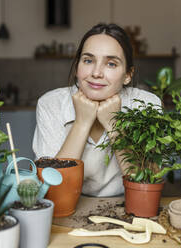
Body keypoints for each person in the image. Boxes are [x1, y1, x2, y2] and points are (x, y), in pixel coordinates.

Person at [32, 23, 161, 197]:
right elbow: (53, 192)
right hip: (69, 206)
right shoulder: (51, 104)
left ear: (128, 75)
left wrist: (115, 125)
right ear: (77, 66)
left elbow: (146, 190)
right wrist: (82, 123)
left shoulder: (146, 105)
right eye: (88, 60)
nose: (96, 73)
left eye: (111, 64)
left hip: (128, 205)